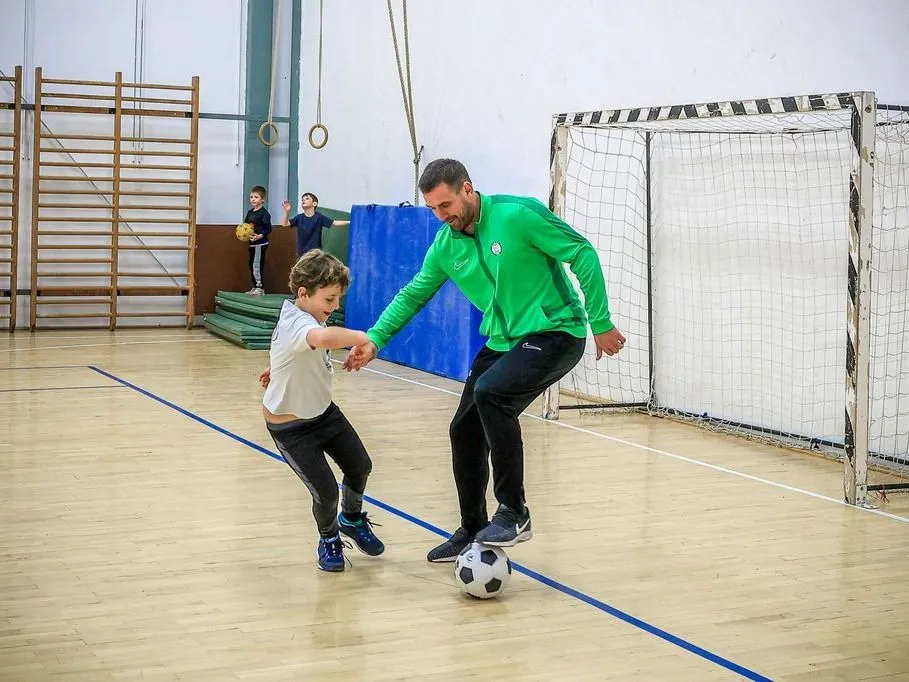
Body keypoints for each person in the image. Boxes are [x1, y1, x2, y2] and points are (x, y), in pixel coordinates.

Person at [343, 158, 626, 563]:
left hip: (556, 331)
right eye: (434, 210)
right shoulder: (446, 245)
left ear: (467, 189)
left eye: (446, 205)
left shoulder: (517, 215)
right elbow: (412, 294)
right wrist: (375, 339)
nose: (443, 216)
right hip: (502, 339)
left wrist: (600, 320)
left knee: (491, 393)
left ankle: (514, 512)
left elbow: (580, 252)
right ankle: (473, 527)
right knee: (464, 429)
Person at [261, 249, 385, 572]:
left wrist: (274, 368)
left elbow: (293, 350)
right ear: (304, 294)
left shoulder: (303, 316)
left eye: (338, 299)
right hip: (291, 429)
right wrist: (363, 337)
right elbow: (320, 337)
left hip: (323, 413)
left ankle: (352, 518)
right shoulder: (299, 322)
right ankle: (328, 537)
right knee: (327, 492)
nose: (335, 307)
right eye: (329, 300)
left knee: (360, 466)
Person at [281, 192, 351, 258]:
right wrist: (286, 212)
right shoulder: (299, 218)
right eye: (302, 199)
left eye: (307, 198)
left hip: (316, 253)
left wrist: (350, 222)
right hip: (302, 253)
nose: (303, 200)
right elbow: (285, 224)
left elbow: (334, 223)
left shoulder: (319, 217)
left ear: (314, 204)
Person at [244, 185, 272, 295]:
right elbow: (245, 225)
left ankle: (260, 287)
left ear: (263, 200)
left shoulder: (264, 214)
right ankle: (255, 286)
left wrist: (259, 236)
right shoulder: (250, 213)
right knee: (251, 265)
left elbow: (268, 229)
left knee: (256, 265)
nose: (253, 199)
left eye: (256, 197)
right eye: (251, 197)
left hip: (260, 244)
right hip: (252, 243)